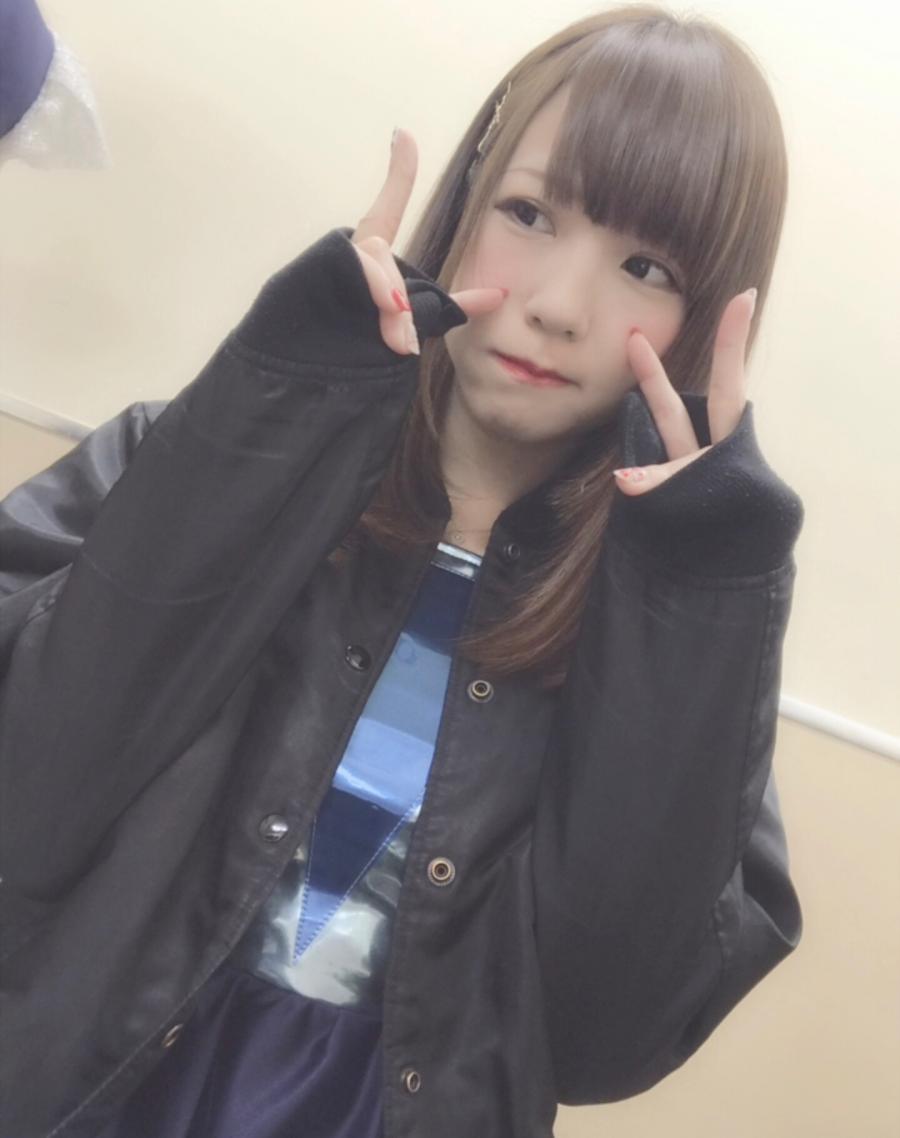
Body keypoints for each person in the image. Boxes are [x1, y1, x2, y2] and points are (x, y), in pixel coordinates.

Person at [0, 5, 806, 1137]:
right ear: (465, 199)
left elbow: (607, 1036)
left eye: (645, 265)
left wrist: (695, 593)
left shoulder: (663, 624)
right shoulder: (200, 451)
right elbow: (26, 798)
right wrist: (273, 413)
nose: (558, 305)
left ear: (706, 313)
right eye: (529, 213)